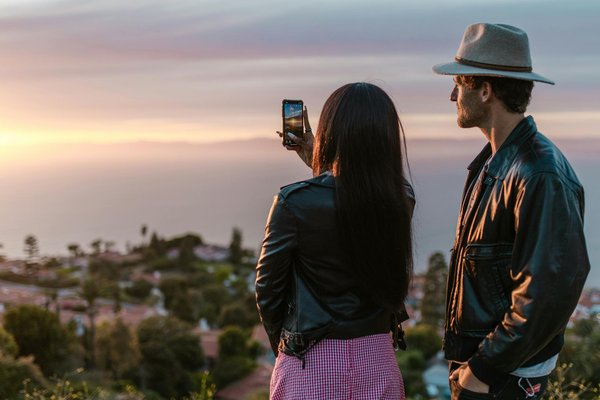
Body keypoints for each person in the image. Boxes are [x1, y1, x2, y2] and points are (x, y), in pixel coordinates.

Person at [432, 23, 590, 399]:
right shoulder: (496, 163)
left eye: (459, 84)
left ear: (485, 91)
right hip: (489, 368)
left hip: (504, 376)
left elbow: (547, 292)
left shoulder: (539, 174)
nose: (452, 94)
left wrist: (483, 369)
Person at [255, 82, 414, 400]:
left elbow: (268, 291)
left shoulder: (293, 202)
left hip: (310, 363)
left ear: (330, 132)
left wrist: (284, 349)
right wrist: (319, 164)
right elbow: (355, 199)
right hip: (378, 360)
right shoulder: (401, 199)